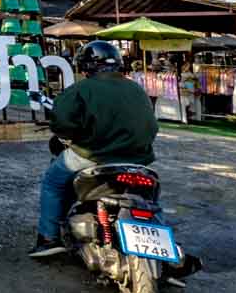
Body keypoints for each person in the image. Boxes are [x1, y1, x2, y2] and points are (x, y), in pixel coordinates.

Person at [30, 40, 158, 258]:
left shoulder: (81, 89)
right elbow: (152, 125)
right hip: (138, 160)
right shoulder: (136, 89)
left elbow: (62, 124)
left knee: (53, 182)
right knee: (149, 199)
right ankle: (166, 249)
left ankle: (49, 238)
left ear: (85, 67)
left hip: (94, 156)